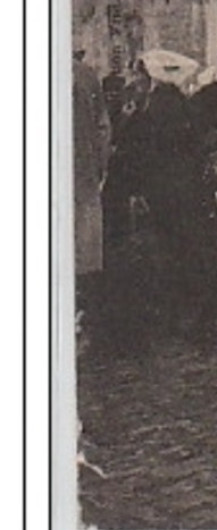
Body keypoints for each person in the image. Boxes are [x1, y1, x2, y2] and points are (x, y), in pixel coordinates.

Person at [130, 50, 217, 341]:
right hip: (191, 187)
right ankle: (203, 309)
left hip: (171, 189)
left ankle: (186, 313)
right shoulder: (182, 104)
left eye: (140, 76)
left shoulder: (158, 107)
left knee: (177, 249)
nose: (137, 81)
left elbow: (151, 151)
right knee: (196, 247)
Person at [73, 51, 112, 330]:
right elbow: (103, 128)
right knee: (82, 235)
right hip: (82, 169)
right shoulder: (86, 76)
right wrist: (100, 165)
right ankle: (84, 303)